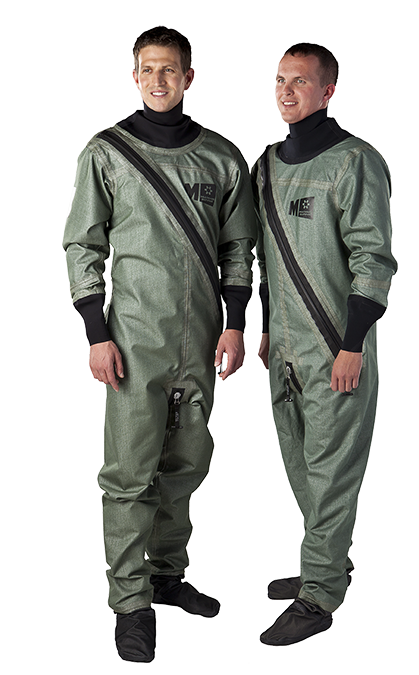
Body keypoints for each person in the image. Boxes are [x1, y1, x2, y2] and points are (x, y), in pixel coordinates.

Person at [63, 26, 256, 663]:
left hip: (201, 339)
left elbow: (237, 249)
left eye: (169, 69)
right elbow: (83, 245)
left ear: (188, 77)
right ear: (134, 75)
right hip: (133, 339)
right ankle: (130, 602)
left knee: (186, 464)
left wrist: (234, 322)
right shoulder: (107, 154)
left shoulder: (221, 158)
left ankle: (167, 576)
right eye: (147, 69)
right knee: (128, 473)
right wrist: (96, 332)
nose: (157, 80)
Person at [252, 42, 397, 646]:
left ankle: (319, 595)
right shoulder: (265, 166)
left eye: (301, 81)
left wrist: (353, 343)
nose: (287, 91)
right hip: (285, 351)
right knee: (304, 467)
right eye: (280, 80)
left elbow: (373, 259)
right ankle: (327, 563)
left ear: (328, 90)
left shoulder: (355, 162)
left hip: (338, 348)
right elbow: (266, 258)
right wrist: (266, 328)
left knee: (332, 472)